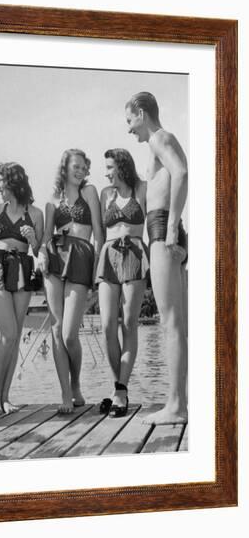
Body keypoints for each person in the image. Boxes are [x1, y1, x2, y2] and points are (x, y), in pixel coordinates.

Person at [125, 91, 188, 425]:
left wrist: (173, 228)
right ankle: (181, 400)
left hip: (163, 227)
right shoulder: (156, 144)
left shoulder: (160, 137)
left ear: (141, 112)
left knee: (171, 322)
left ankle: (176, 406)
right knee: (177, 322)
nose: (129, 129)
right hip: (161, 226)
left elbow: (181, 173)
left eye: (130, 121)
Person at [0, 162, 44, 416]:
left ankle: (5, 397)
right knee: (9, 333)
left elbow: (39, 251)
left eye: (1, 182)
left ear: (13, 183)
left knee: (14, 339)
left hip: (24, 269)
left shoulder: (35, 213)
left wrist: (33, 238)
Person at [38, 149, 102, 414]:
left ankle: (76, 383)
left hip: (82, 257)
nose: (81, 170)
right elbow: (45, 237)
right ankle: (65, 393)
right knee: (55, 328)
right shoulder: (52, 199)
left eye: (84, 167)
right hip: (55, 259)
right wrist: (41, 253)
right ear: (64, 168)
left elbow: (98, 233)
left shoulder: (89, 192)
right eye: (76, 166)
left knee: (69, 334)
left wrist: (97, 272)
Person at [96, 149, 148, 417]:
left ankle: (119, 391)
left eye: (109, 167)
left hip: (135, 254)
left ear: (122, 167)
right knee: (106, 325)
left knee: (128, 324)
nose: (105, 172)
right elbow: (97, 234)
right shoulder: (106, 194)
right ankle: (120, 388)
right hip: (108, 255)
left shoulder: (142, 188)